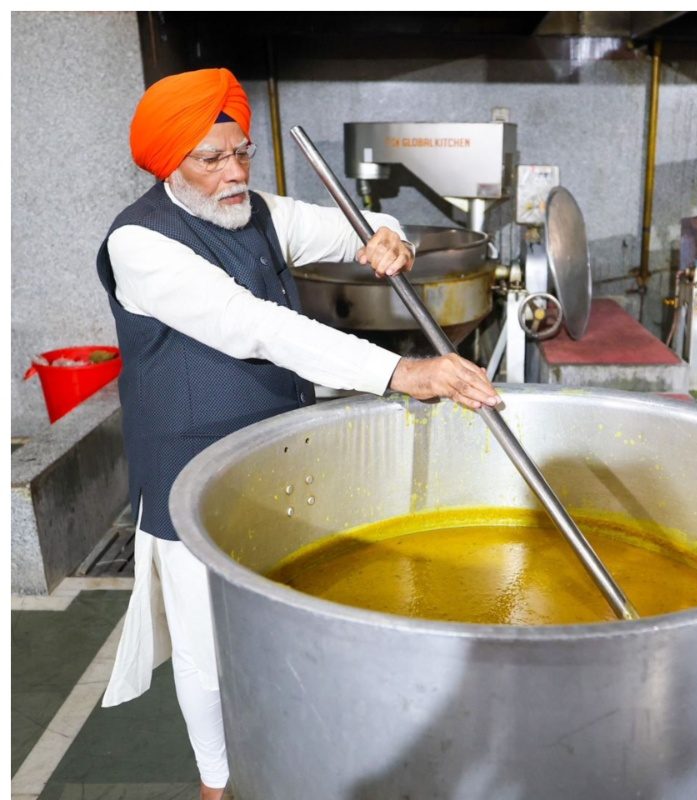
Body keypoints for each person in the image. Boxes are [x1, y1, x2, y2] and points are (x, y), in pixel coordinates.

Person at [96, 67, 499, 800]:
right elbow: (257, 328)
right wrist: (402, 373)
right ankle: (218, 785)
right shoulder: (140, 245)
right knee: (205, 644)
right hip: (191, 466)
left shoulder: (258, 211)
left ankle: (305, 739)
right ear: (167, 163)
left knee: (290, 605)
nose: (233, 172)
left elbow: (354, 226)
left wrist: (386, 238)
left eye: (242, 151)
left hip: (278, 449)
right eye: (210, 159)